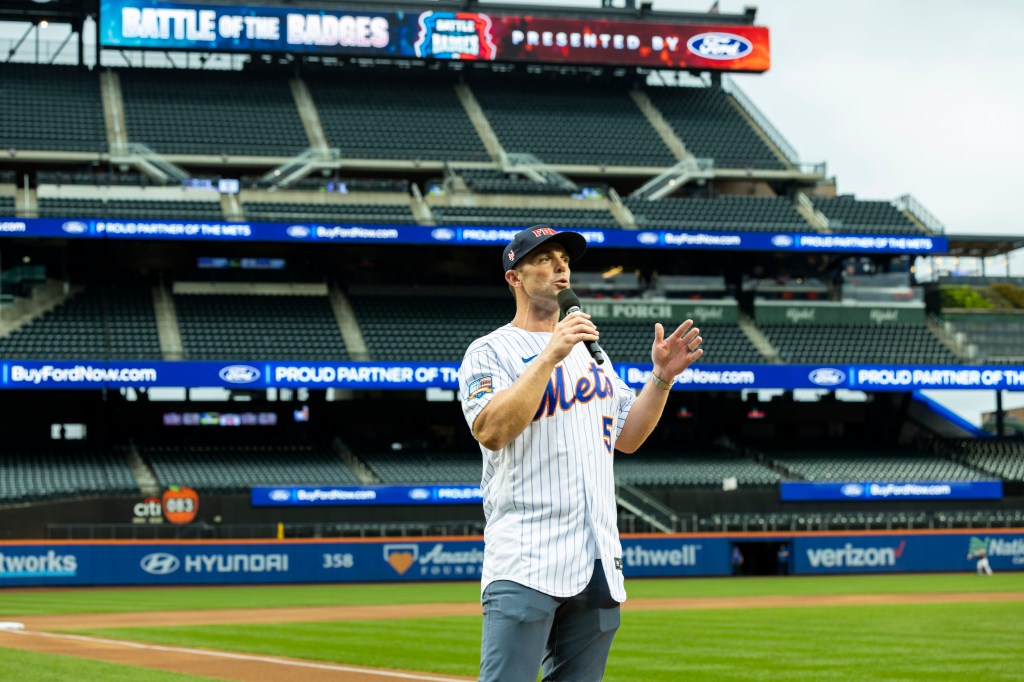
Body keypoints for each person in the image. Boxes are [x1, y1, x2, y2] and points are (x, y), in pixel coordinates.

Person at [458, 225, 703, 682]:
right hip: (527, 556)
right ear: (514, 276)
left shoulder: (594, 355)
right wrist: (550, 354)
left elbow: (628, 436)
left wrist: (661, 379)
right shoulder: (489, 351)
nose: (560, 266)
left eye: (564, 258)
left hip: (597, 558)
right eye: (545, 258)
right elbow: (491, 431)